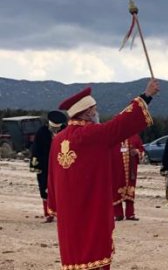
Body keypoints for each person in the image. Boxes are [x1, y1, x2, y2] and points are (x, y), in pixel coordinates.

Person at [47, 79, 159, 270]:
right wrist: (146, 96)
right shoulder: (91, 134)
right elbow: (121, 124)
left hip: (68, 211)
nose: (96, 113)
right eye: (95, 109)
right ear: (88, 112)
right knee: (94, 253)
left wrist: (54, 206)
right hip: (90, 207)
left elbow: (52, 175)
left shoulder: (58, 140)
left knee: (73, 255)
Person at [29, 110, 66, 223]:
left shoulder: (65, 130)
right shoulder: (42, 132)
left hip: (62, 164)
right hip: (45, 165)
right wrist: (35, 164)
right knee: (45, 187)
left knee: (62, 189)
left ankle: (62, 213)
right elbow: (36, 149)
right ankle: (48, 214)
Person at [112, 134, 144, 221]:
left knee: (131, 189)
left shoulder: (135, 136)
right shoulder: (114, 136)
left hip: (131, 169)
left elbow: (141, 149)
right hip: (116, 169)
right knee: (116, 189)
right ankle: (118, 214)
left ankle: (130, 214)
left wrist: (137, 151)